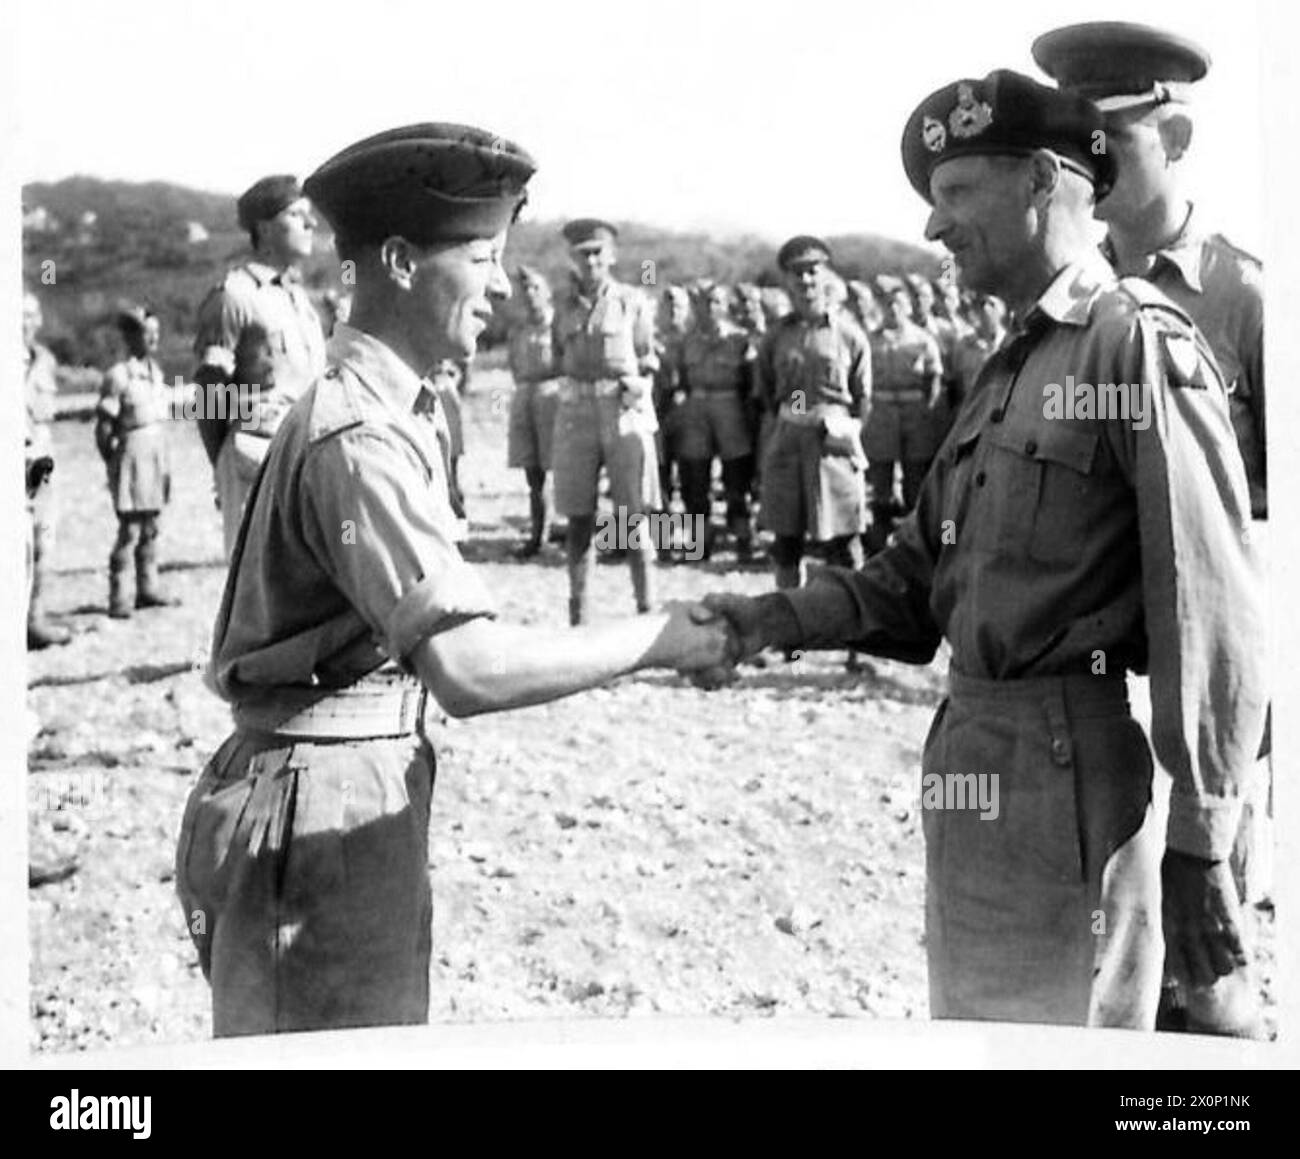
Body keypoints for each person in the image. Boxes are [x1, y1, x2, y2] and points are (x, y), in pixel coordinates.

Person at [700, 70, 1267, 1029]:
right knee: (977, 1031)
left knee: (1060, 1040)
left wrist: (1204, 840)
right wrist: (765, 618)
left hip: (1066, 767)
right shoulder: (1013, 362)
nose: (934, 227)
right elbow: (916, 575)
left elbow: (1209, 604)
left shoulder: (1131, 346)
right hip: (975, 753)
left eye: (956, 193)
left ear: (1044, 181)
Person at [174, 124, 732, 1037]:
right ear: (398, 260)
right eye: (483, 255)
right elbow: (469, 670)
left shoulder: (392, 406)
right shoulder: (360, 433)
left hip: (333, 785)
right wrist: (659, 637)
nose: (505, 284)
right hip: (315, 806)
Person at [1034, 19, 1270, 1037]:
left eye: (1113, 143)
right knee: (1098, 977)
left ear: (1171, 141)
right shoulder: (1063, 308)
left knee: (1206, 973)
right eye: (1071, 149)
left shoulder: (1248, 299)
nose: (1090, 170)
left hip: (1208, 683)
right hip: (1095, 696)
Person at [192, 175, 327, 559]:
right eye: (297, 214)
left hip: (308, 458)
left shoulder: (297, 298)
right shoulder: (235, 295)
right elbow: (210, 388)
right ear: (265, 228)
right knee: (256, 584)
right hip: (257, 456)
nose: (311, 223)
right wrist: (223, 464)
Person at [550, 219, 662, 623]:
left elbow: (649, 356)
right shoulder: (561, 306)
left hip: (621, 411)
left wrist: (639, 384)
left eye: (598, 252)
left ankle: (646, 609)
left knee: (633, 516)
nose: (591, 260)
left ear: (611, 256)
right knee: (579, 516)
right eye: (583, 253)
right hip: (576, 414)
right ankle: (579, 614)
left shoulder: (632, 301)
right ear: (572, 258)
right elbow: (554, 357)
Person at [755, 236, 871, 592]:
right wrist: (797, 418)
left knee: (844, 543)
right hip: (788, 444)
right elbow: (769, 396)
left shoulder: (850, 335)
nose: (805, 281)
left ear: (825, 276)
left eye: (812, 272)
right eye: (796, 274)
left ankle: (855, 629)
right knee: (786, 544)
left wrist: (841, 430)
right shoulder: (775, 336)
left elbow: (863, 399)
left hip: (833, 445)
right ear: (786, 282)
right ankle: (790, 630)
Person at [95, 307, 179, 618]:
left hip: (156, 453)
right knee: (129, 529)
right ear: (131, 336)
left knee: (152, 526)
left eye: (157, 331)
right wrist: (114, 463)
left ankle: (148, 589)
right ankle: (119, 598)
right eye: (147, 332)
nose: (154, 338)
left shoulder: (156, 373)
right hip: (131, 457)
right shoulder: (117, 377)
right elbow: (103, 428)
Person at [677, 281, 759, 560]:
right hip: (697, 409)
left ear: (724, 307)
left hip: (730, 407)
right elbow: (681, 380)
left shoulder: (739, 340)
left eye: (714, 302)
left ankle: (743, 540)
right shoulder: (686, 340)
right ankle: (699, 544)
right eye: (700, 303)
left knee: (736, 479)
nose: (707, 309)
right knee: (695, 481)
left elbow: (751, 384)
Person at [862, 277, 943, 554]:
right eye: (886, 305)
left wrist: (927, 410)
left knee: (915, 480)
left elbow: (934, 378)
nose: (892, 310)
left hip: (914, 414)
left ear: (907, 307)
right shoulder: (869, 340)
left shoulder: (922, 340)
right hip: (882, 413)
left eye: (898, 304)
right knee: (880, 480)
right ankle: (878, 543)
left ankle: (914, 545)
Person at [23, 291, 71, 649]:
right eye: (20, 315)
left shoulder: (45, 361)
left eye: (33, 315)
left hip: (41, 459)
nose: (28, 322)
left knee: (43, 540)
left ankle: (34, 619)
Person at [505, 266, 561, 557]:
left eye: (536, 288)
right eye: (524, 289)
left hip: (552, 395)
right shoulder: (518, 330)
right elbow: (514, 367)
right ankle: (539, 534)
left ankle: (573, 531)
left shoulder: (557, 326)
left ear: (548, 293)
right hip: (524, 396)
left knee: (563, 469)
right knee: (533, 473)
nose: (529, 295)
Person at [949, 293, 1006, 414]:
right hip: (972, 413)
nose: (986, 309)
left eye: (992, 304)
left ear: (1003, 309)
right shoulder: (963, 346)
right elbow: (956, 383)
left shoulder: (1012, 342)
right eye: (981, 304)